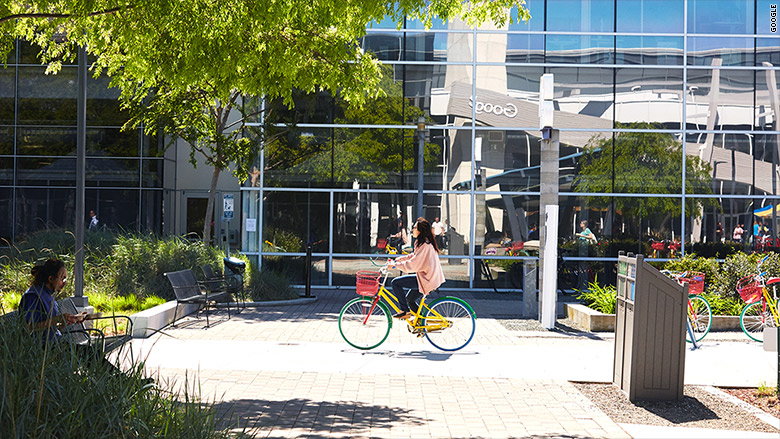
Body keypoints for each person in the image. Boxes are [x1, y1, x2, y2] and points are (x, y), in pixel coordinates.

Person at [19, 259, 151, 382]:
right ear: (50, 278)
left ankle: (120, 382)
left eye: (65, 278)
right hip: (43, 349)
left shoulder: (47, 294)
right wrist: (58, 319)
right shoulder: (33, 296)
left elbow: (48, 325)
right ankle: (120, 382)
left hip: (56, 343)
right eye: (62, 278)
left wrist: (66, 321)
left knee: (92, 352)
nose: (64, 282)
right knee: (89, 353)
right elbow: (29, 328)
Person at [386, 218, 446, 320]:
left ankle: (404, 311)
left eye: (414, 228)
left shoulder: (426, 245)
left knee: (395, 283)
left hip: (427, 279)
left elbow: (413, 264)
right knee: (410, 300)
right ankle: (422, 322)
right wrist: (398, 260)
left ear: (420, 231)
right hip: (425, 277)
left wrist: (395, 266)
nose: (412, 230)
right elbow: (414, 256)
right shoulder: (422, 243)